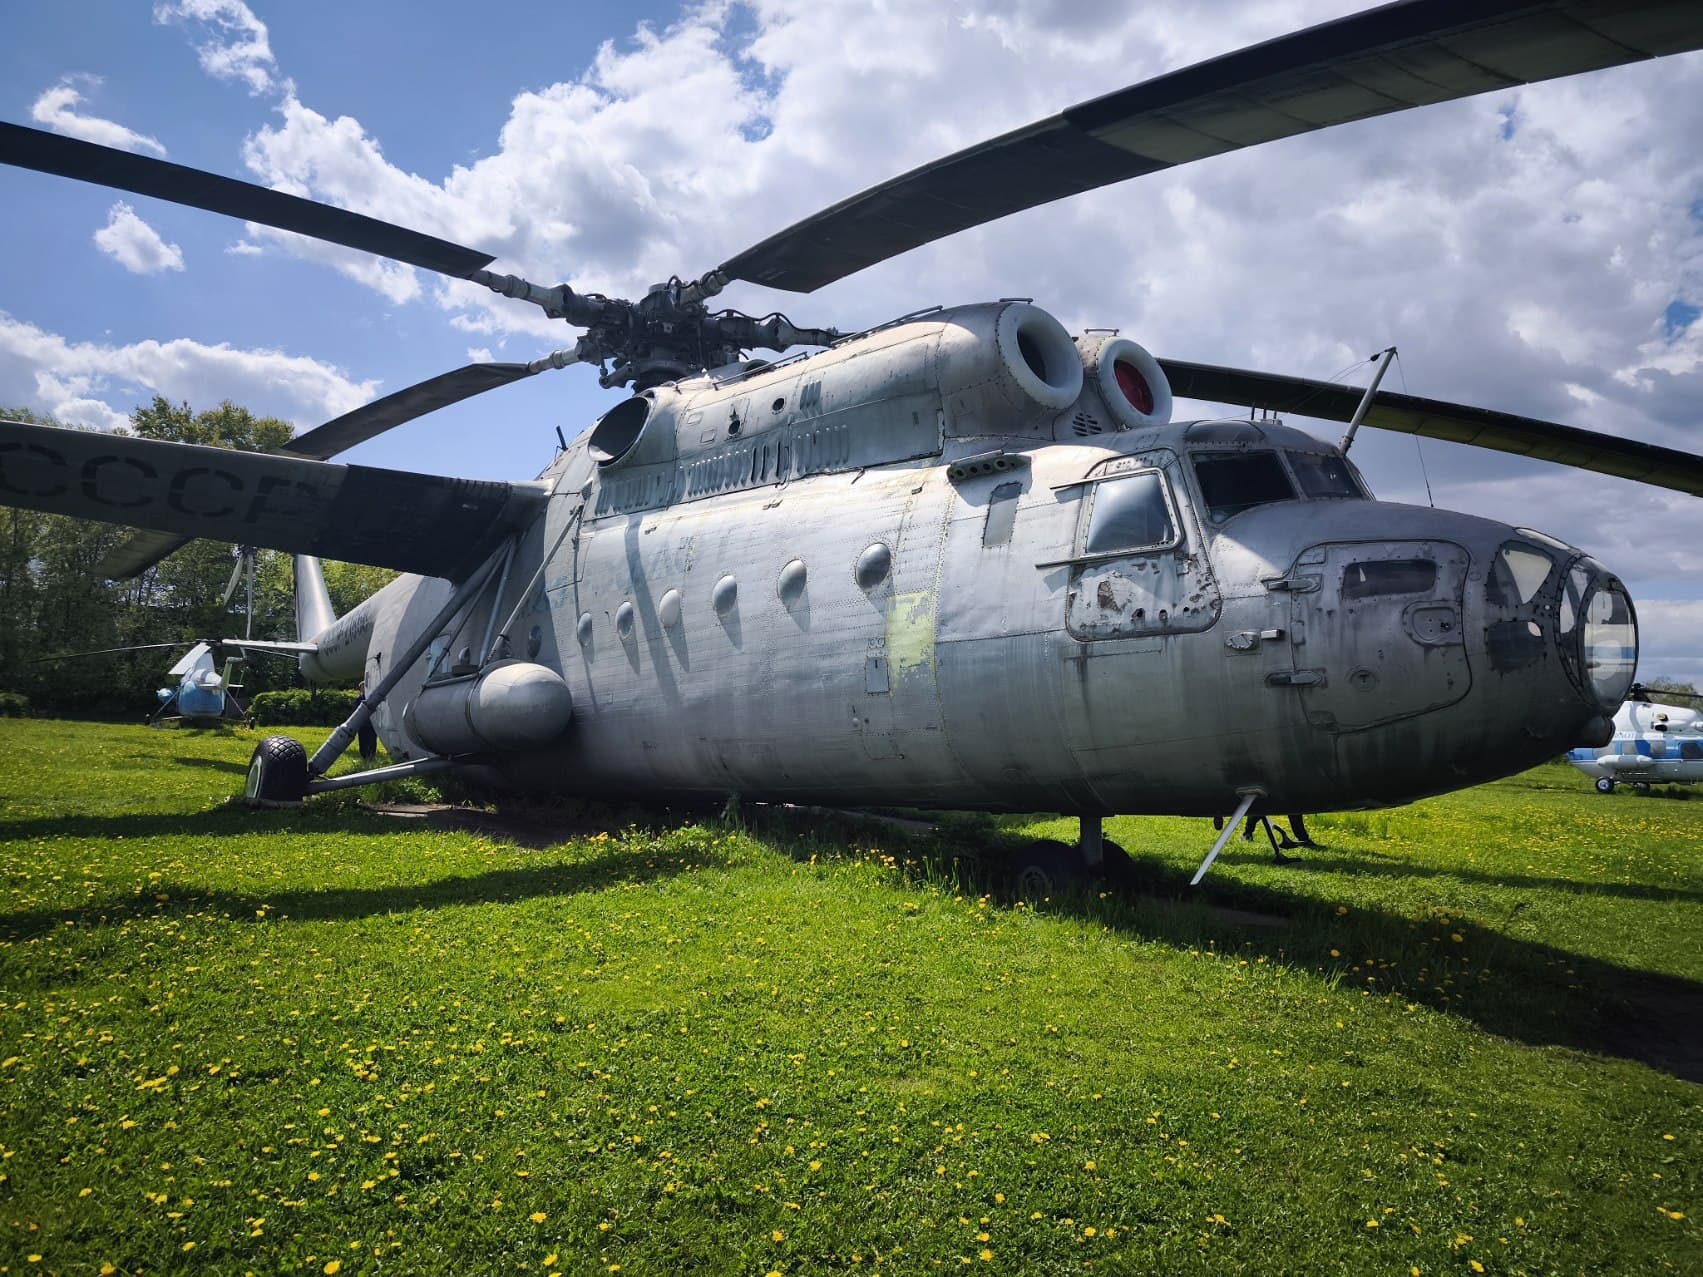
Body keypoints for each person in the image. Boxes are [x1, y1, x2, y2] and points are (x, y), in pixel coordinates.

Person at [356, 677, 378, 764]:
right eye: (362, 688)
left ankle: (372, 755)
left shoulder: (371, 698)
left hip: (372, 724)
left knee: (372, 741)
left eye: (364, 687)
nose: (363, 689)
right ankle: (364, 756)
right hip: (362, 725)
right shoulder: (358, 699)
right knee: (363, 741)